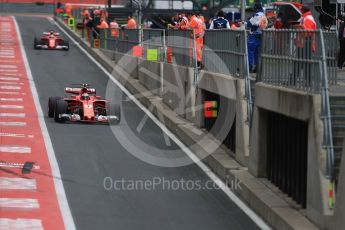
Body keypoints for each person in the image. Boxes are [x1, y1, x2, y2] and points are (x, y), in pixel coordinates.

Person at [246, 2, 268, 73]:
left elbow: (249, 24)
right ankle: (257, 68)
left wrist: (248, 20)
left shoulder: (257, 15)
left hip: (254, 35)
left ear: (256, 8)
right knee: (257, 53)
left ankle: (250, 67)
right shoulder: (264, 15)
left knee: (251, 51)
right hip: (261, 36)